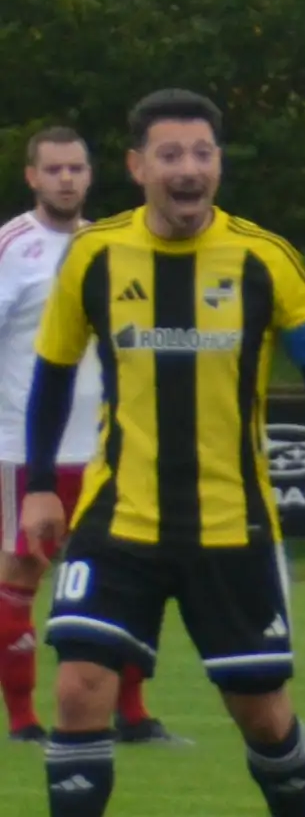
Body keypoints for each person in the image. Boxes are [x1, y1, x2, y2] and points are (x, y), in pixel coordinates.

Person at [15, 90, 305, 817]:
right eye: (170, 155)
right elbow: (53, 375)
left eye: (202, 153)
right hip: (119, 517)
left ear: (217, 164)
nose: (188, 170)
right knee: (79, 687)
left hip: (230, 524)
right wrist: (34, 484)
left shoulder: (261, 258)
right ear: (137, 168)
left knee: (261, 712)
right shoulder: (94, 258)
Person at [0, 124, 157, 744]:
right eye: (54, 169)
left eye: (77, 168)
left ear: (92, 175)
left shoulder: (115, 244)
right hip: (23, 446)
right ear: (32, 176)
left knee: (127, 576)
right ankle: (23, 720)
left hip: (107, 446)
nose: (67, 178)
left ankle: (135, 714)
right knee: (20, 576)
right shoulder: (13, 245)